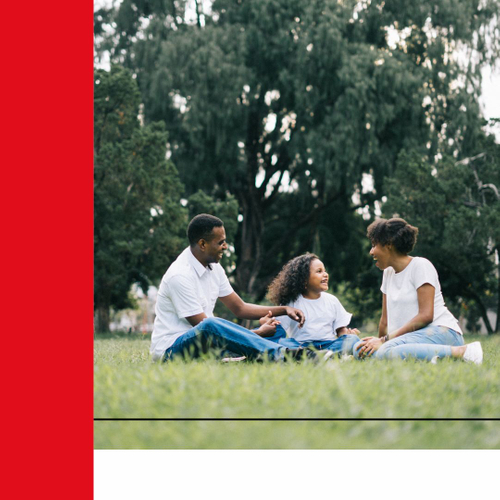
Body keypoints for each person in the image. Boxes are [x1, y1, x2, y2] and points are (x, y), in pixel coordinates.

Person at [150, 213, 309, 363]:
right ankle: (281, 354)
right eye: (220, 242)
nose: (225, 247)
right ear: (202, 244)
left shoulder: (214, 268)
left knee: (276, 331)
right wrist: (258, 333)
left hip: (209, 344)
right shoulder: (179, 275)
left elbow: (240, 308)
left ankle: (309, 351)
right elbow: (207, 331)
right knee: (210, 324)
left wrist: (284, 310)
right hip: (172, 350)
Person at [353, 217, 483, 364]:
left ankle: (463, 351)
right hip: (408, 339)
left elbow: (426, 316)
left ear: (388, 244)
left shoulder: (420, 266)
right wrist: (376, 343)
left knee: (386, 351)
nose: (371, 251)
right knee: (359, 349)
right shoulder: (388, 273)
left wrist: (384, 341)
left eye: (374, 245)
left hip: (441, 332)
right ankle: (430, 357)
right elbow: (384, 321)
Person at [262, 253, 360, 357]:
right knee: (284, 343)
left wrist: (346, 336)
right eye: (319, 271)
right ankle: (319, 356)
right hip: (301, 346)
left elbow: (341, 330)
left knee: (352, 339)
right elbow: (278, 329)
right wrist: (267, 322)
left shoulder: (332, 300)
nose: (325, 274)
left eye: (325, 271)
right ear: (304, 279)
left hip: (328, 344)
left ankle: (322, 355)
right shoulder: (291, 303)